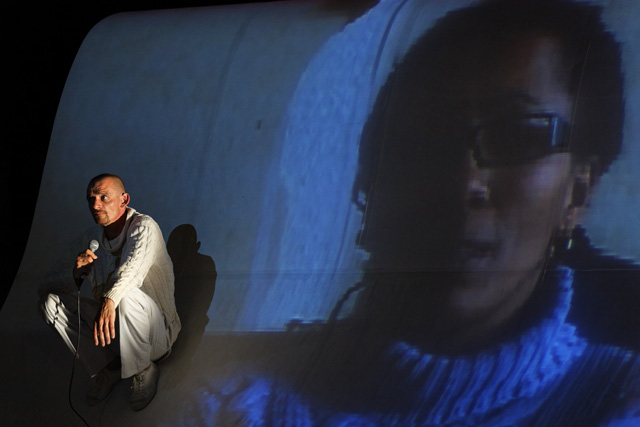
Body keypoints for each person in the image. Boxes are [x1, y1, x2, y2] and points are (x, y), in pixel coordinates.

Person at [173, 0, 640, 425]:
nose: (464, 181)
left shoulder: (621, 400)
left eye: (517, 135)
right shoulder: (230, 406)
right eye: (427, 137)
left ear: (578, 193)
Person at [38, 173, 181, 411]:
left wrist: (109, 299)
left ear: (124, 199)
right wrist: (75, 273)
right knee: (49, 303)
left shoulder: (144, 226)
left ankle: (143, 368)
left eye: (103, 197)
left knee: (125, 293)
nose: (95, 205)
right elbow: (44, 285)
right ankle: (108, 368)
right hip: (114, 335)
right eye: (91, 199)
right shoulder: (90, 238)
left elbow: (131, 271)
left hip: (156, 336)